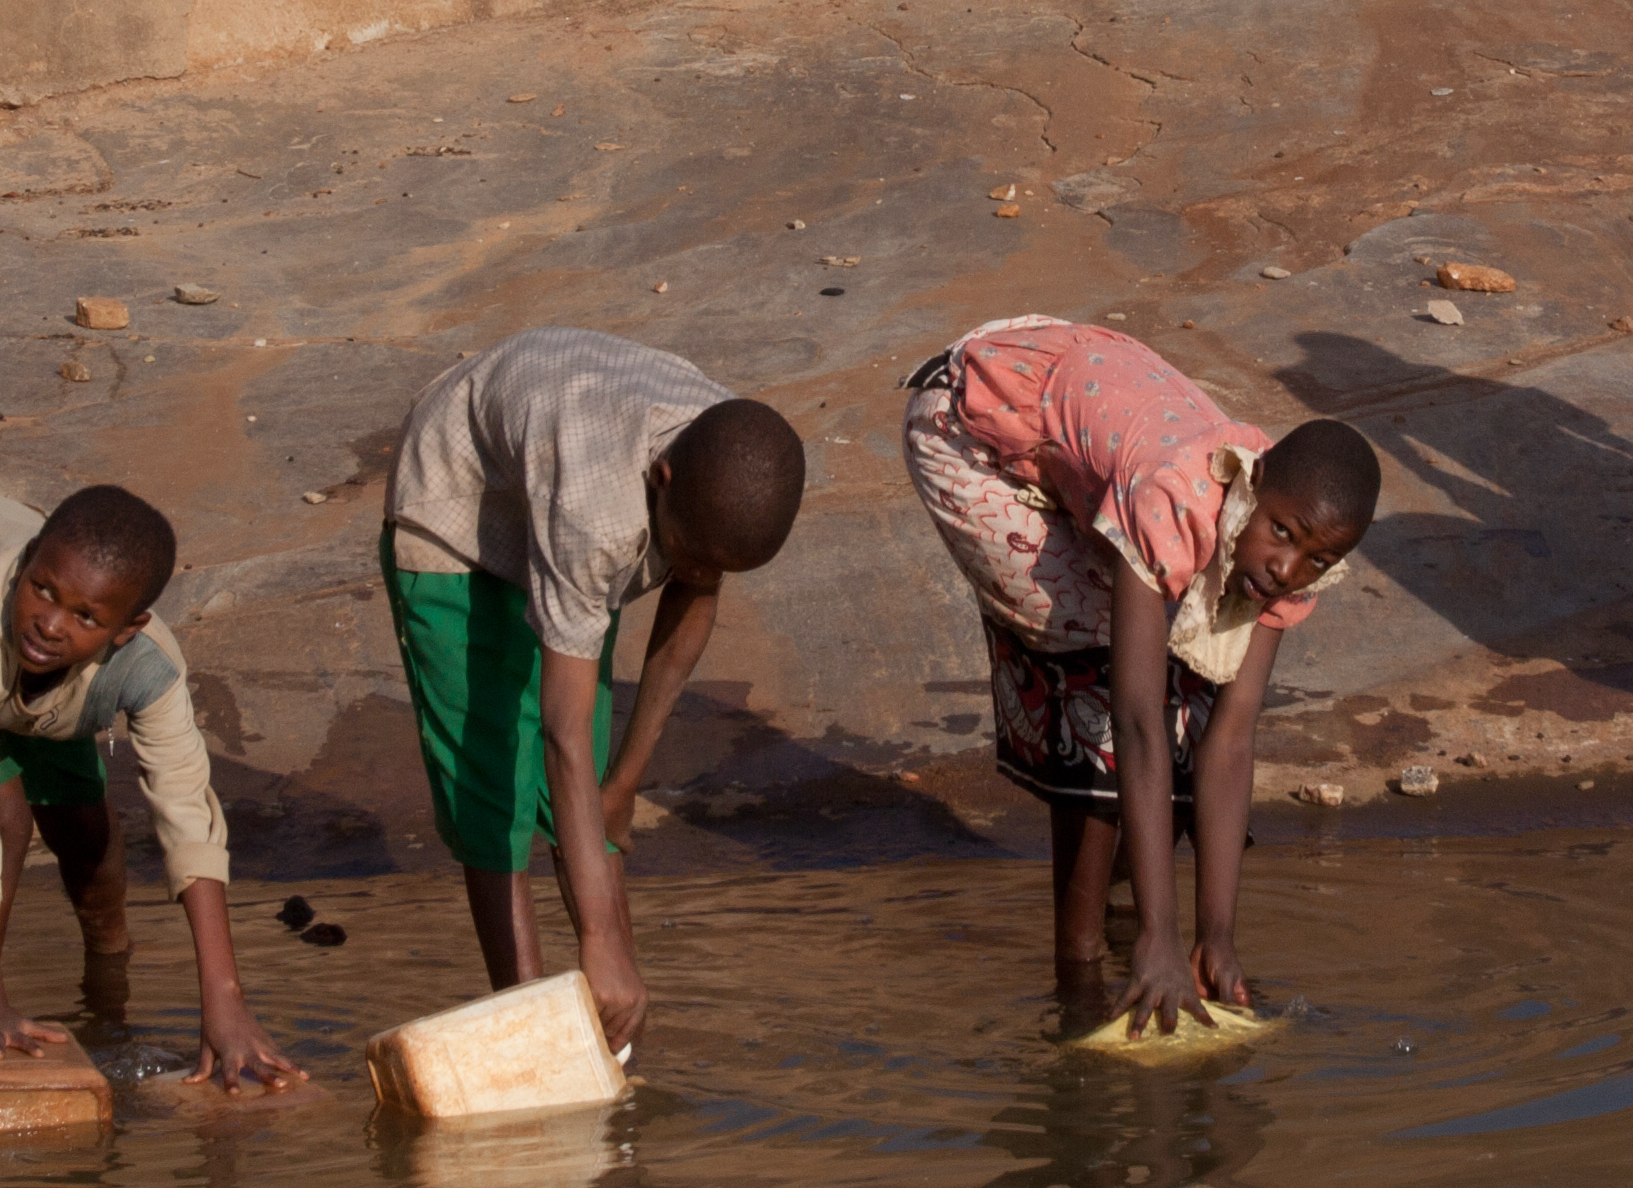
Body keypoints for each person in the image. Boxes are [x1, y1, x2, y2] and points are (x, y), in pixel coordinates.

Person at [898, 317, 1380, 1034]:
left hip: (1084, 425)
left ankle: (1129, 902)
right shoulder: (1174, 496)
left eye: (1316, 559)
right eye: (1281, 534)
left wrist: (1217, 934)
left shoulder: (1297, 559)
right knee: (1098, 665)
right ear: (1255, 485)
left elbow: (1234, 738)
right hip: (969, 427)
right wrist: (1165, 934)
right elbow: (1133, 718)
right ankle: (1081, 965)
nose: (1287, 570)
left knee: (1190, 685)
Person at [380, 329, 807, 1055]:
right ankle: (530, 1030)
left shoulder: (724, 454)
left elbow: (692, 598)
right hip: (457, 507)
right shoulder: (598, 517)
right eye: (688, 553)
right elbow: (561, 733)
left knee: (586, 805)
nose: (696, 571)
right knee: (495, 787)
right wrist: (598, 939)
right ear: (663, 479)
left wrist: (627, 784)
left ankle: (614, 1037)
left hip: (557, 467)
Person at [0, 481, 300, 1085]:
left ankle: (109, 987)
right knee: (0, 818)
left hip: (39, 658)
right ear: (29, 561)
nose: (51, 624)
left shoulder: (148, 666)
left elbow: (187, 810)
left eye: (85, 616)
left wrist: (225, 1002)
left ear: (127, 630)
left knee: (83, 827)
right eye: (42, 590)